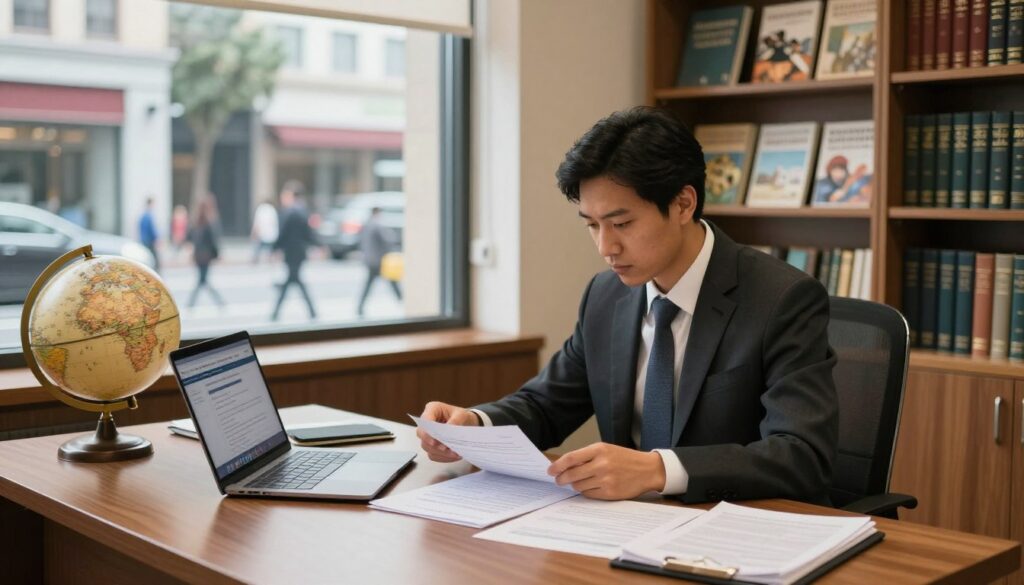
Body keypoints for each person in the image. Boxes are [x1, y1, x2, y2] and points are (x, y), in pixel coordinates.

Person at [417, 106, 838, 504]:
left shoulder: (781, 300)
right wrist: (474, 425)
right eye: (592, 226)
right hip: (624, 526)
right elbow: (546, 404)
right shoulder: (606, 296)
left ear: (683, 204)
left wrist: (657, 470)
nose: (606, 246)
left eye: (621, 224)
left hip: (731, 529)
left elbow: (800, 455)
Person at [270, 180, 317, 321]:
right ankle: (312, 311)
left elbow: (283, 233)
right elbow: (308, 234)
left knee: (293, 280)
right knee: (294, 280)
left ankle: (276, 313)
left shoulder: (291, 212)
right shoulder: (302, 210)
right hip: (299, 253)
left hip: (292, 253)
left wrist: (275, 248)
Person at [355, 207, 402, 318]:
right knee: (392, 281)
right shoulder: (377, 225)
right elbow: (388, 240)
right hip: (378, 260)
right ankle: (403, 301)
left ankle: (360, 307)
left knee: (371, 284)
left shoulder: (366, 225)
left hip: (369, 260)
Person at [187, 194, 226, 308]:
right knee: (202, 280)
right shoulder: (211, 221)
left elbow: (191, 237)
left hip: (198, 255)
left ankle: (192, 303)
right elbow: (214, 240)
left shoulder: (196, 220)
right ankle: (219, 302)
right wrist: (218, 254)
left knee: (202, 280)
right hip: (206, 255)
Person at [251, 197, 279, 264]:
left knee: (257, 246)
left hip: (262, 233)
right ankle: (270, 258)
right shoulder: (272, 210)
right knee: (270, 247)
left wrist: (254, 233)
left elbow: (257, 222)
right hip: (271, 233)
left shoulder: (260, 209)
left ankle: (255, 259)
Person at [138, 197, 160, 272]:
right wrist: (156, 239)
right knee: (154, 260)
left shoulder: (143, 215)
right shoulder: (149, 216)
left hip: (145, 240)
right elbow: (152, 230)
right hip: (149, 241)